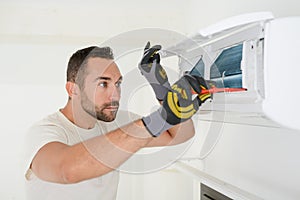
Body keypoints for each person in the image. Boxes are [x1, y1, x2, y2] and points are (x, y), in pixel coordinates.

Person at [23, 42, 211, 200]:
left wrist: (163, 90)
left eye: (118, 83)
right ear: (73, 90)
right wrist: (158, 120)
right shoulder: (45, 132)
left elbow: (179, 135)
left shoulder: (112, 122)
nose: (115, 95)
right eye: (103, 84)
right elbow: (67, 170)